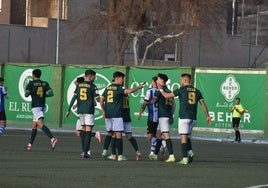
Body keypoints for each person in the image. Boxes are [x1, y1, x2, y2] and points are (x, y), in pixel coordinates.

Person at [161, 73, 211, 165]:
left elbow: (167, 96)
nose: (180, 82)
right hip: (193, 118)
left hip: (184, 117)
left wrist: (160, 89)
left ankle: (184, 159)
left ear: (185, 80)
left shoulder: (182, 89)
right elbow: (203, 104)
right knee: (187, 136)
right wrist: (207, 115)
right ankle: (190, 152)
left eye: (181, 80)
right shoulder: (197, 91)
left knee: (183, 138)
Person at [100, 71, 144, 161]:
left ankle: (107, 152)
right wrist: (139, 87)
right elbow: (130, 91)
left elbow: (101, 100)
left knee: (111, 134)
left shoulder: (108, 88)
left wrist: (104, 111)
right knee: (123, 135)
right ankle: (121, 155)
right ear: (118, 78)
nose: (123, 80)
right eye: (122, 79)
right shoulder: (120, 89)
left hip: (109, 114)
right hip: (120, 115)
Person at [66, 70, 99, 158]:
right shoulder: (93, 86)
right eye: (94, 76)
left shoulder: (79, 85)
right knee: (88, 130)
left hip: (80, 111)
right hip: (88, 111)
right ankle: (85, 152)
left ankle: (84, 151)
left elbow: (74, 98)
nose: (94, 78)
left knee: (83, 130)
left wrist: (68, 110)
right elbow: (98, 99)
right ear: (90, 76)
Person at [24, 69, 58, 151]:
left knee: (40, 124)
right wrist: (43, 95)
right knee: (34, 125)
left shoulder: (31, 83)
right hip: (42, 105)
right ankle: (29, 145)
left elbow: (26, 94)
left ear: (33, 75)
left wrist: (31, 91)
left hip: (36, 106)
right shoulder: (44, 83)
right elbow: (51, 93)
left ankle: (52, 139)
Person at [148, 73, 176, 163]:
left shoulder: (159, 91)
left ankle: (171, 156)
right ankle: (155, 154)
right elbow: (173, 105)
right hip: (166, 115)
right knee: (158, 135)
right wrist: (171, 115)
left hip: (163, 116)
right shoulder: (168, 90)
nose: (156, 80)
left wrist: (146, 103)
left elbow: (153, 101)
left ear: (162, 81)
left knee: (166, 136)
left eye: (158, 79)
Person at [108, 94, 142, 161]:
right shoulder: (126, 95)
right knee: (129, 136)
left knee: (115, 135)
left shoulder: (119, 94)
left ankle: (114, 154)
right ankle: (137, 151)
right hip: (127, 117)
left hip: (119, 116)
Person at [138, 76, 162, 158]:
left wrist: (140, 112)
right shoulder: (163, 91)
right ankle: (152, 152)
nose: (151, 83)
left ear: (155, 82)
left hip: (152, 117)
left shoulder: (150, 91)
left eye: (152, 82)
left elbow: (145, 103)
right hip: (160, 117)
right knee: (155, 135)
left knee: (150, 136)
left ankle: (161, 145)